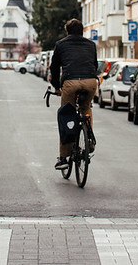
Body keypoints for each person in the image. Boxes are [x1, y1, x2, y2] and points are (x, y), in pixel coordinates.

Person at [49, 18, 98, 170]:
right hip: (90, 82)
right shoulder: (91, 45)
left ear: (67, 31)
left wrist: (57, 87)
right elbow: (95, 65)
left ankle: (63, 157)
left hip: (70, 82)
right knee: (86, 108)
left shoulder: (61, 44)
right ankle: (89, 137)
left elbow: (54, 68)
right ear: (82, 31)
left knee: (66, 115)